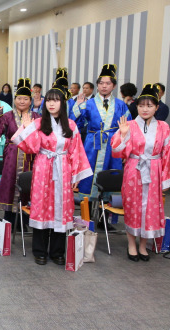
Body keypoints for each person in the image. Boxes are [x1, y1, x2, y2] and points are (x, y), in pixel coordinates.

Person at [12, 85, 91, 265]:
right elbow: (27, 145)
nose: (51, 103)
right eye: (48, 100)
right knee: (41, 206)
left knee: (61, 209)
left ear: (62, 103)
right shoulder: (39, 123)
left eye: (55, 100)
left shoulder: (71, 125)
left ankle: (57, 251)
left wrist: (75, 176)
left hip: (63, 168)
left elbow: (76, 151)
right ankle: (39, 251)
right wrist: (25, 127)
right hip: (43, 168)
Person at [111, 84, 170, 262]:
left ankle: (143, 245)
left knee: (150, 208)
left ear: (157, 107)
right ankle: (131, 243)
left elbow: (167, 154)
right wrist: (123, 135)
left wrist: (165, 180)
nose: (145, 109)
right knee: (132, 206)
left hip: (154, 170)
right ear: (136, 106)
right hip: (133, 169)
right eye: (142, 105)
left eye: (149, 106)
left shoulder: (164, 127)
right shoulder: (128, 124)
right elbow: (116, 151)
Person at [71, 64, 131, 200]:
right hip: (92, 144)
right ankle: (88, 210)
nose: (104, 86)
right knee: (89, 173)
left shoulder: (121, 105)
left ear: (114, 86)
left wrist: (124, 144)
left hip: (113, 144)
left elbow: (129, 126)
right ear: (97, 85)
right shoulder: (89, 103)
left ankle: (106, 214)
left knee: (111, 175)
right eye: (101, 83)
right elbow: (74, 124)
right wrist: (78, 107)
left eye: (108, 83)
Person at [0, 78, 39, 224]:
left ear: (30, 101)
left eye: (25, 99)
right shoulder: (7, 116)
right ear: (14, 99)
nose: (22, 101)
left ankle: (25, 220)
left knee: (28, 184)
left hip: (30, 156)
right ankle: (9, 220)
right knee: (10, 183)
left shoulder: (36, 117)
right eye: (19, 98)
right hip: (11, 154)